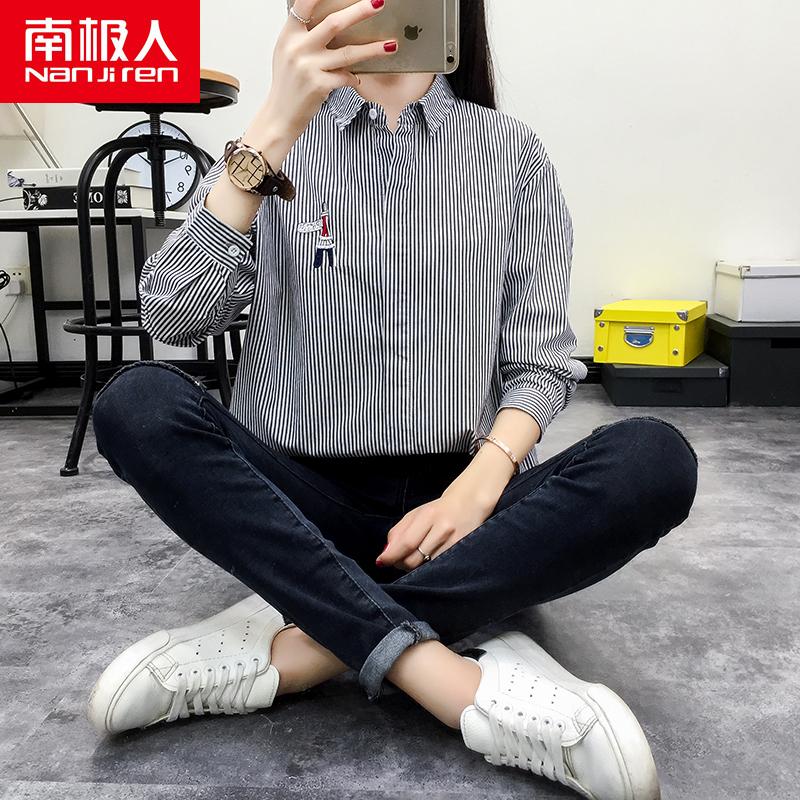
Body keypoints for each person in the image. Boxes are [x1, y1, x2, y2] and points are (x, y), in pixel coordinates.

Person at [86, 1, 699, 798]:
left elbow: (542, 363)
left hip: (467, 507)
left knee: (654, 460)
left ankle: (302, 647)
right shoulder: (271, 146)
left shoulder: (509, 153)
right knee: (136, 404)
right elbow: (173, 316)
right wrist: (273, 125)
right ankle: (450, 677)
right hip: (299, 504)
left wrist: (476, 491)